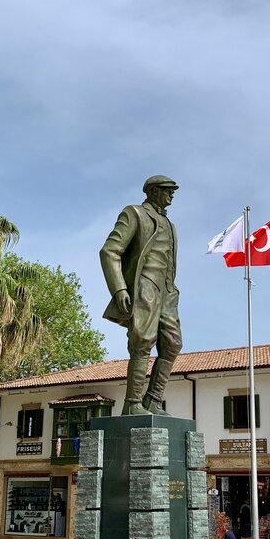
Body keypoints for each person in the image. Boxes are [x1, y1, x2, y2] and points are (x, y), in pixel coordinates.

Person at [100, 175, 182, 415]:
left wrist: (172, 290)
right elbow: (109, 251)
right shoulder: (134, 213)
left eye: (172, 191)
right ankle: (133, 404)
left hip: (167, 291)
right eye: (167, 190)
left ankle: (153, 400)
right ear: (153, 191)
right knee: (142, 342)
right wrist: (119, 288)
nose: (172, 194)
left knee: (173, 344)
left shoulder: (170, 225)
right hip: (145, 285)